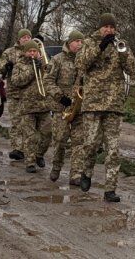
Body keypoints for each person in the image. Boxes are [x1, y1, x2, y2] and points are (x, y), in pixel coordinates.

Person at [77, 13, 135, 202]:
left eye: (112, 27)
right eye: (106, 27)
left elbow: (133, 69)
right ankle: (86, 173)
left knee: (113, 150)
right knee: (90, 145)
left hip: (113, 104)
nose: (109, 30)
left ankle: (110, 189)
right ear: (100, 28)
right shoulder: (89, 42)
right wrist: (100, 46)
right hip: (93, 103)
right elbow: (81, 64)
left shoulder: (121, 44)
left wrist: (123, 53)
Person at [43, 30, 84, 185]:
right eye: (77, 41)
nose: (80, 44)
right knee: (60, 140)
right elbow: (48, 81)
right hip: (62, 108)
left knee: (79, 141)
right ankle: (56, 166)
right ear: (70, 42)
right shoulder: (58, 60)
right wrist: (61, 97)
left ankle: (76, 174)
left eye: (82, 42)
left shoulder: (85, 61)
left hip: (79, 107)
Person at [10, 40, 52, 173]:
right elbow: (16, 81)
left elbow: (51, 78)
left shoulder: (44, 63)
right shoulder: (20, 65)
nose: (33, 53)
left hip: (44, 105)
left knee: (47, 133)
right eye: (30, 51)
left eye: (35, 51)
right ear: (25, 52)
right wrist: (32, 70)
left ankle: (39, 154)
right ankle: (30, 162)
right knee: (30, 136)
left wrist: (42, 66)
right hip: (27, 106)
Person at [0, 28, 31, 161]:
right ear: (19, 39)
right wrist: (6, 65)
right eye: (24, 37)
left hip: (31, 94)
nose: (26, 39)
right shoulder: (10, 52)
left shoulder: (34, 51)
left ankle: (29, 148)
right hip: (14, 92)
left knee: (28, 123)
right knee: (16, 121)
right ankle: (17, 148)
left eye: (29, 37)